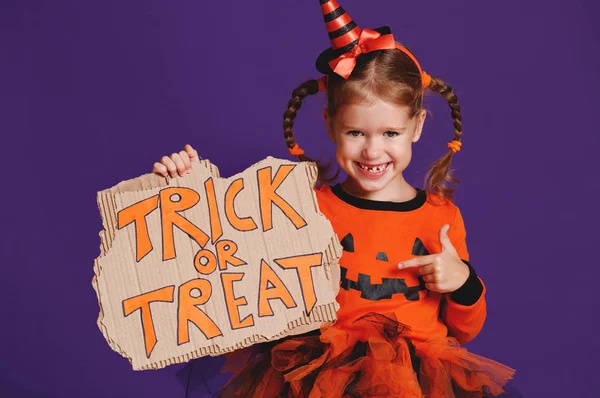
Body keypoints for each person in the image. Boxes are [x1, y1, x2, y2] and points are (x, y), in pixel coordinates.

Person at [153, 1, 516, 396]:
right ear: (330, 125)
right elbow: (228, 264)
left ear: (417, 126)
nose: (373, 151)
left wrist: (462, 282)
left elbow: (466, 329)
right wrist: (185, 188)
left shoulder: (440, 218)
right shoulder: (303, 205)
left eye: (390, 134)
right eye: (356, 133)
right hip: (316, 378)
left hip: (416, 383)